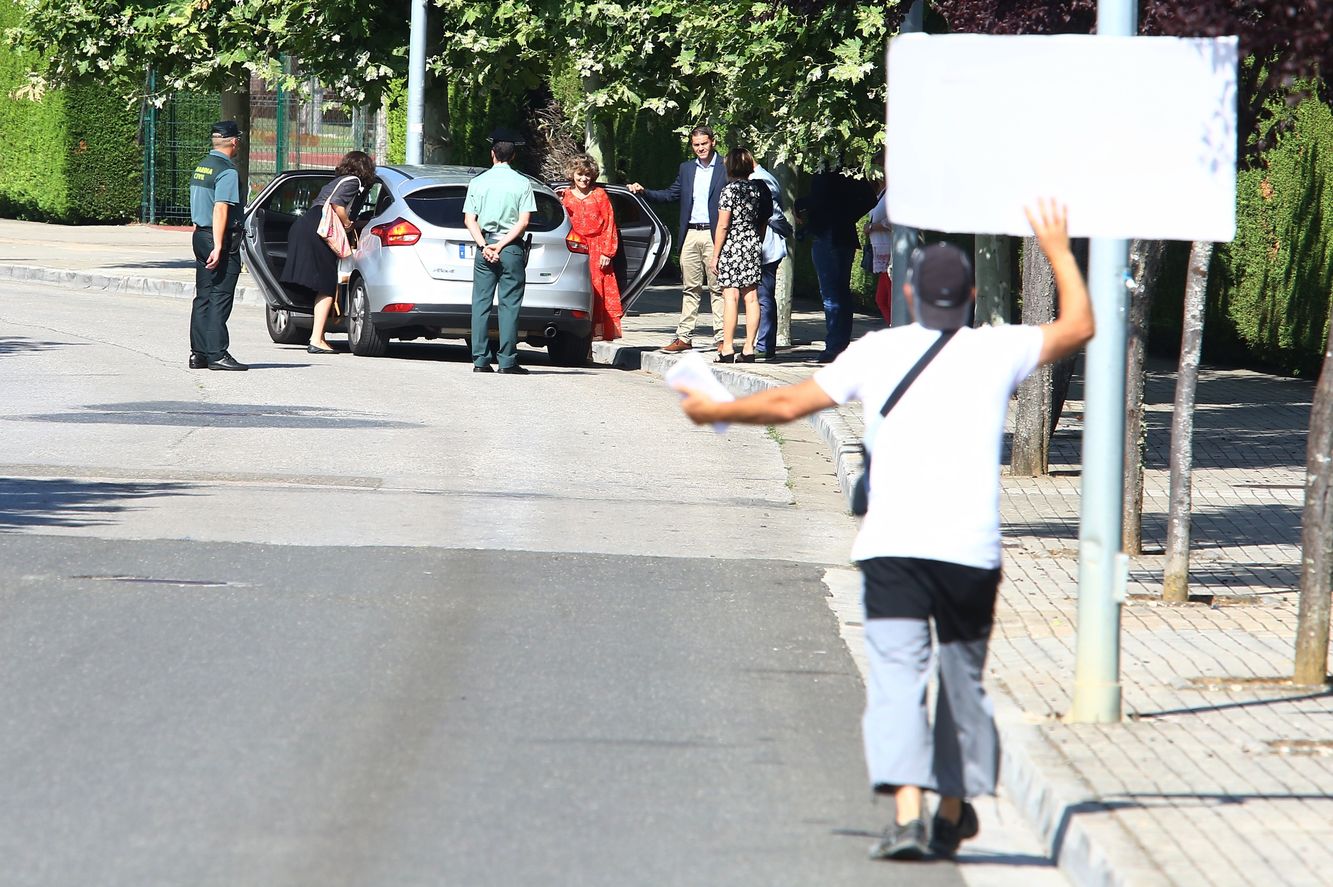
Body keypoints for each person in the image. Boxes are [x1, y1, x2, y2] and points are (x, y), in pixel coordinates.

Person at [674, 200, 1094, 862]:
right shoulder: (994, 348)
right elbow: (1078, 325)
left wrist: (718, 409)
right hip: (968, 553)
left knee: (898, 676)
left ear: (905, 290)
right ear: (972, 296)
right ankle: (951, 810)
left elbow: (789, 401)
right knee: (960, 678)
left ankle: (906, 817)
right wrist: (1058, 248)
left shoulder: (876, 350)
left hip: (893, 548)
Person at [628, 126, 726, 353]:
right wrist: (644, 192)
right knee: (690, 288)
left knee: (718, 288)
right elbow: (671, 194)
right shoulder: (687, 168)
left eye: (704, 143)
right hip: (691, 234)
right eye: (696, 144)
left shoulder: (725, 166)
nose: (700, 148)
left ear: (713, 142)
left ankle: (722, 339)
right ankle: (684, 337)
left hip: (715, 234)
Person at [279, 150, 376, 354]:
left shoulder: (337, 180)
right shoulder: (352, 181)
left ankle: (319, 336)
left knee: (321, 283)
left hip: (307, 225)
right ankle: (316, 339)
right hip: (319, 230)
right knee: (326, 285)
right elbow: (337, 204)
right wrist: (349, 224)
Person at [464, 128, 537, 375]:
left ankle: (480, 360)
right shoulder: (523, 183)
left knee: (481, 303)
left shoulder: (478, 182)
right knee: (510, 305)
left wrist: (486, 246)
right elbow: (523, 222)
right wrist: (502, 245)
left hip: (484, 247)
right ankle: (507, 361)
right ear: (513, 156)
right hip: (511, 249)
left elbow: (469, 220)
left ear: (492, 153)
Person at [795, 165, 878, 362]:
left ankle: (835, 346)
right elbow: (868, 198)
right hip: (841, 235)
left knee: (832, 294)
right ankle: (838, 343)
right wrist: (847, 217)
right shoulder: (849, 170)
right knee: (840, 293)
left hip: (828, 235)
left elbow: (820, 199)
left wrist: (801, 204)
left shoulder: (826, 170)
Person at [188, 120, 247, 371]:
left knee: (203, 296)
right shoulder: (227, 171)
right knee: (220, 296)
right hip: (218, 239)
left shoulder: (203, 165)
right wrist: (220, 246)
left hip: (200, 235)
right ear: (234, 142)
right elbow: (221, 208)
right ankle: (217, 354)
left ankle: (198, 353)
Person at [709, 148, 771, 363]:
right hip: (752, 243)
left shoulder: (729, 190)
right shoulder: (758, 189)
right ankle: (749, 348)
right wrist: (756, 241)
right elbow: (764, 220)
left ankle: (727, 347)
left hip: (732, 245)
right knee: (752, 297)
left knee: (730, 296)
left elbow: (723, 225)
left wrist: (715, 255)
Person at [561, 154, 623, 346]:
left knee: (596, 295)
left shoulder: (599, 195)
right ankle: (572, 340)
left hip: (597, 249)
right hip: (572, 247)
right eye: (580, 174)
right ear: (572, 174)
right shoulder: (564, 196)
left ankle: (587, 344)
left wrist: (607, 252)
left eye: (587, 174)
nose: (584, 179)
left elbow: (609, 224)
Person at [751, 161, 791, 360]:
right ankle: (763, 343)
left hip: (766, 246)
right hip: (764, 245)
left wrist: (786, 230)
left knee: (763, 296)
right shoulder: (760, 177)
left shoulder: (761, 179)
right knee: (761, 296)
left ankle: (765, 344)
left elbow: (774, 214)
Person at [865, 189, 893, 325]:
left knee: (888, 299)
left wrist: (872, 227)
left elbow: (895, 221)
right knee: (882, 299)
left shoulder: (894, 192)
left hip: (889, 250)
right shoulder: (881, 192)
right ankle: (894, 328)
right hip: (880, 249)